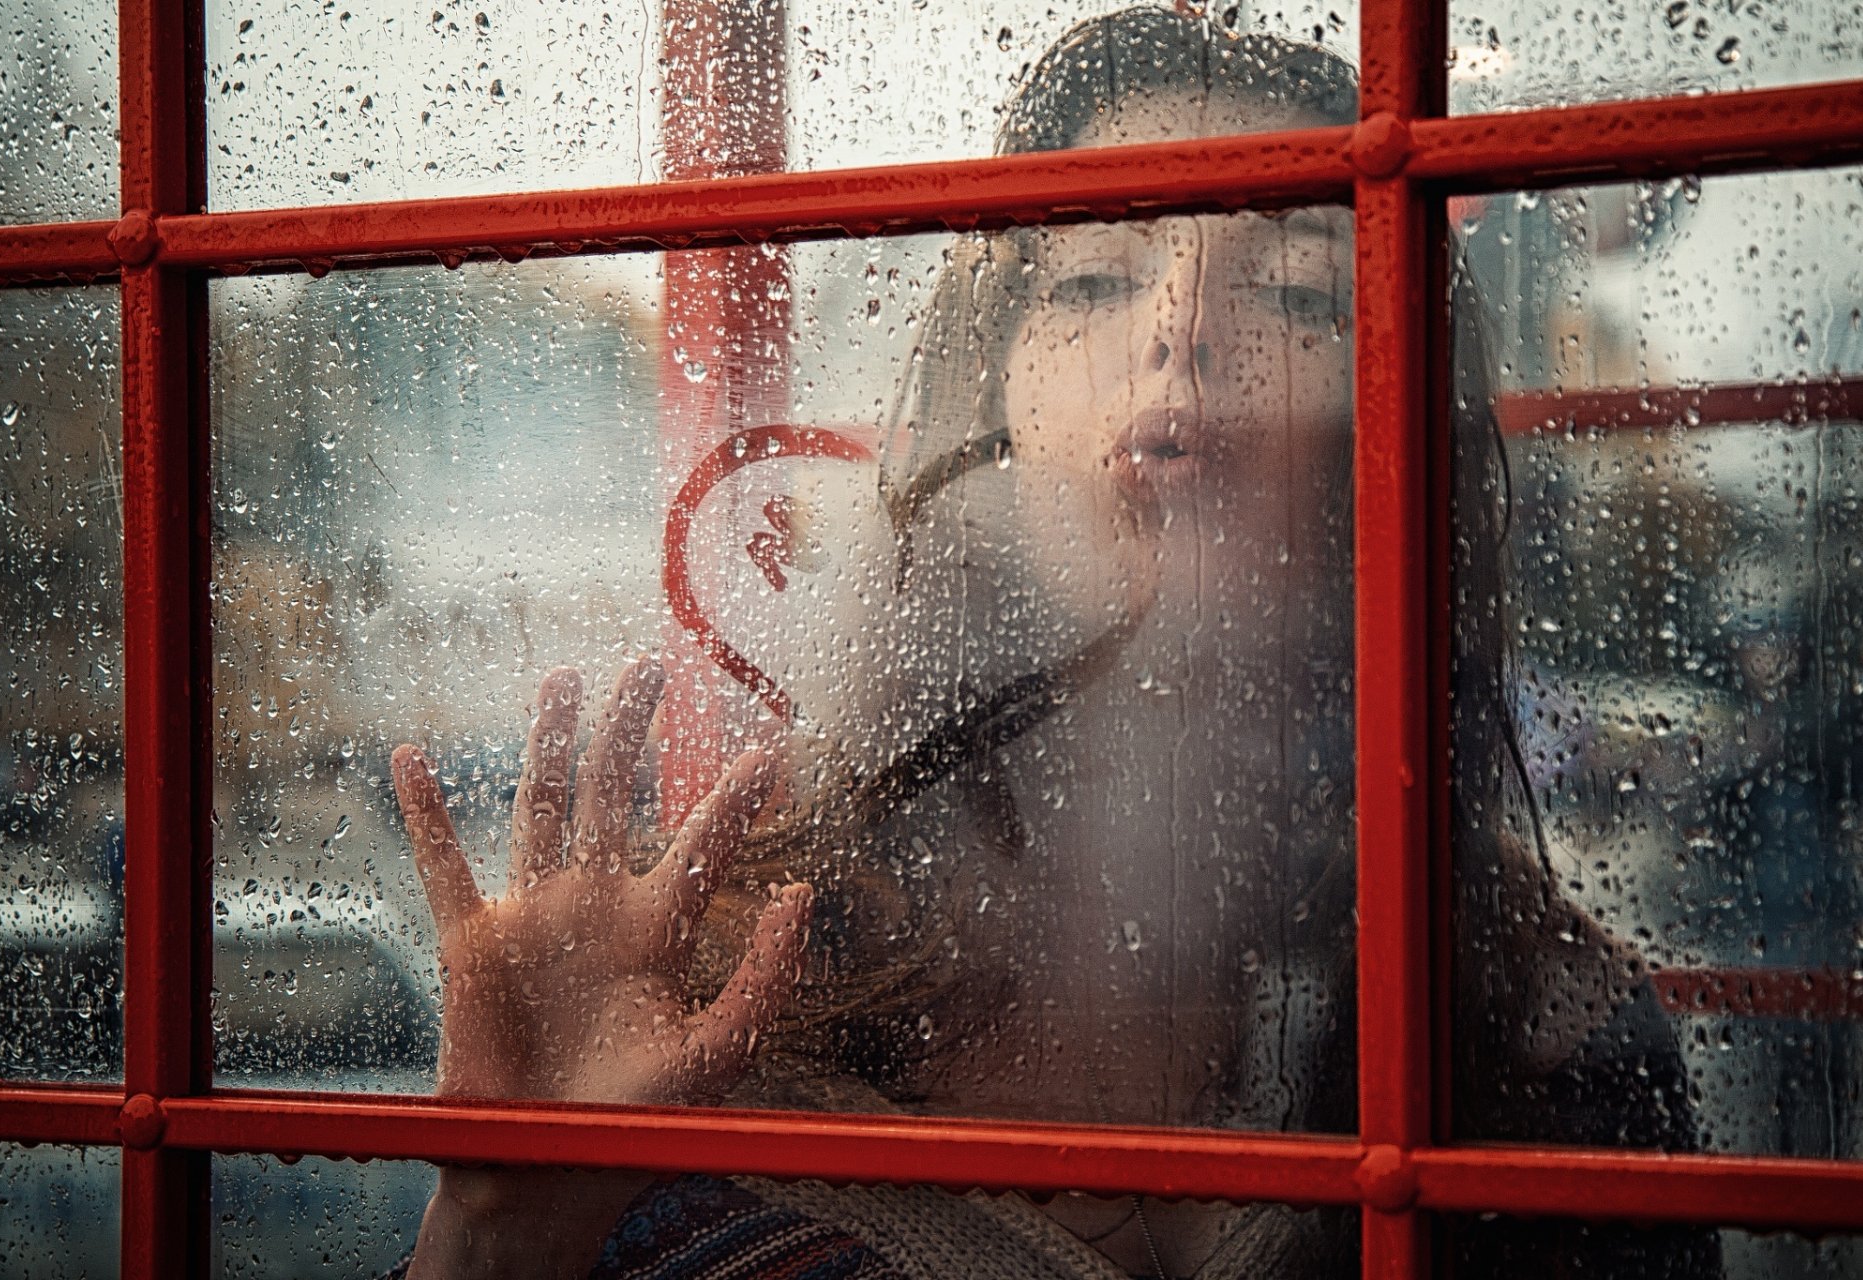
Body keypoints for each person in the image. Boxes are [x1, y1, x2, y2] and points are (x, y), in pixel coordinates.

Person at [389, 9, 1717, 1277]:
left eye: (1300, 293)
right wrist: (502, 1228)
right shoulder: (716, 981)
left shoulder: (1535, 1022)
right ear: (992, 395)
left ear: (1395, 423)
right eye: (1090, 280)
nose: (1180, 330)